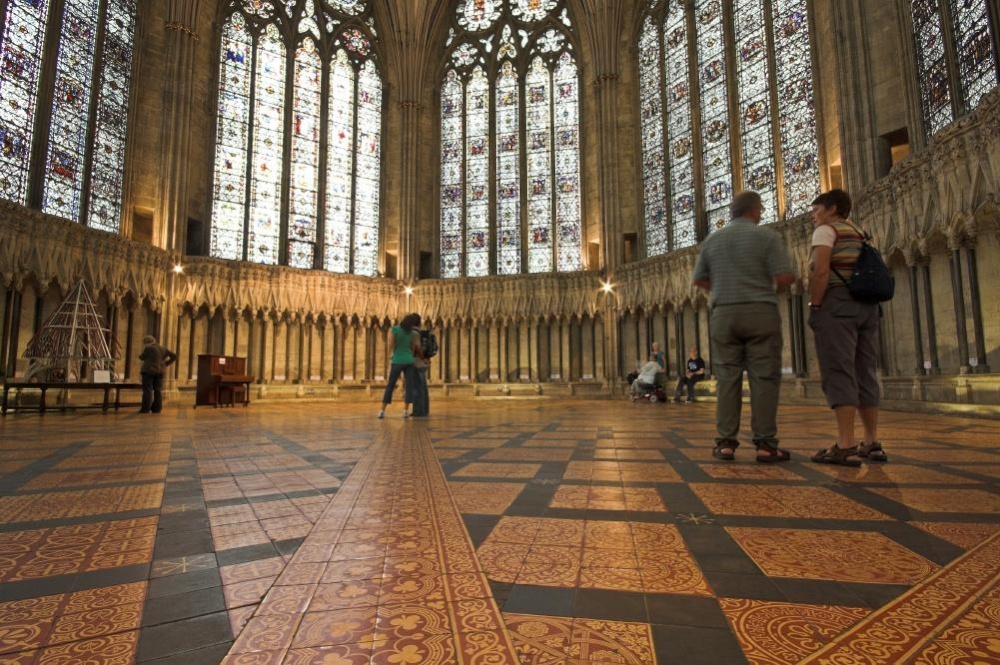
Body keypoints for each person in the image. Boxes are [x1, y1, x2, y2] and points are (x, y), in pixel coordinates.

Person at [692, 191, 798, 462]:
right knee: (764, 379)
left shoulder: (712, 240)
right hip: (760, 311)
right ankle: (765, 444)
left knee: (727, 379)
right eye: (760, 208)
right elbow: (784, 276)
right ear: (754, 210)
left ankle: (726, 443)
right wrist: (770, 285)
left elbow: (699, 280)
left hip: (724, 313)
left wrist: (724, 289)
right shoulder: (767, 237)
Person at [807, 189, 887, 466]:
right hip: (867, 306)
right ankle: (871, 441)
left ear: (831, 209)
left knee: (839, 370)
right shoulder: (859, 231)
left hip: (838, 305)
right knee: (865, 370)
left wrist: (816, 305)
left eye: (816, 210)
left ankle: (845, 444)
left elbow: (821, 271)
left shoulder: (826, 231)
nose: (813, 216)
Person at [378, 313, 421, 419]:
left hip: (397, 361)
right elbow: (414, 347)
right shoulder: (412, 333)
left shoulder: (395, 329)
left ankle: (382, 410)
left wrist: (388, 358)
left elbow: (390, 344)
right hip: (409, 361)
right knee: (409, 386)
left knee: (390, 385)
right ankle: (405, 410)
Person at [138, 335, 177, 414]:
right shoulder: (163, 348)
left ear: (148, 342)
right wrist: (165, 363)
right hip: (159, 372)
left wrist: (140, 355)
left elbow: (142, 357)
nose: (145, 345)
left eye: (145, 343)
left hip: (148, 372)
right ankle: (157, 409)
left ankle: (145, 409)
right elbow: (174, 356)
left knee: (147, 390)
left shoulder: (149, 348)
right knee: (158, 390)